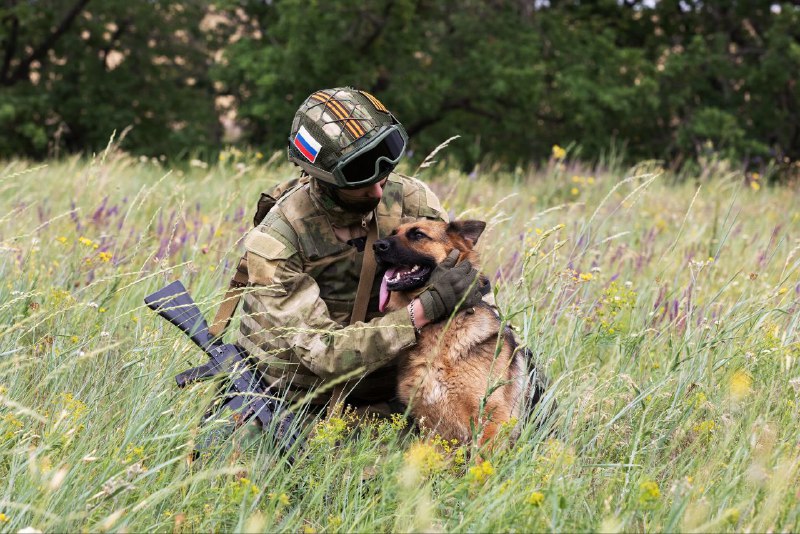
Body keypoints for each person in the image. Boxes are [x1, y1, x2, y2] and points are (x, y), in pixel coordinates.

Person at [236, 87, 485, 418]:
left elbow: (468, 288)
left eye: (382, 165)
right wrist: (422, 311)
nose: (379, 188)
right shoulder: (279, 240)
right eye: (359, 175)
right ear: (323, 178)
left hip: (392, 388)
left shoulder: (412, 200)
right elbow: (322, 353)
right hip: (298, 399)